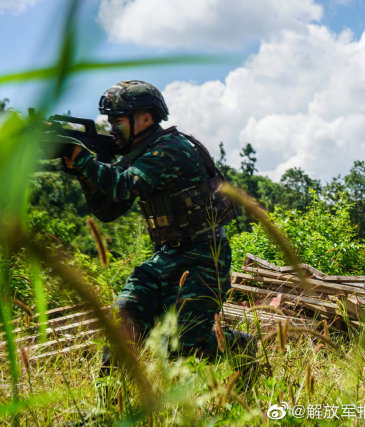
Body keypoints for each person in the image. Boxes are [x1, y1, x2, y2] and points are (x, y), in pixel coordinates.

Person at [62, 80, 255, 372]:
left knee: (184, 348)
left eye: (118, 121)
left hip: (203, 257)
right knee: (123, 319)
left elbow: (123, 186)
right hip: (165, 256)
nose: (113, 128)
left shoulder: (168, 150)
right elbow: (109, 209)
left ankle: (241, 347)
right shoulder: (139, 155)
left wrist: (83, 160)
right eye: (110, 121)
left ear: (145, 118)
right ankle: (108, 408)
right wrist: (82, 172)